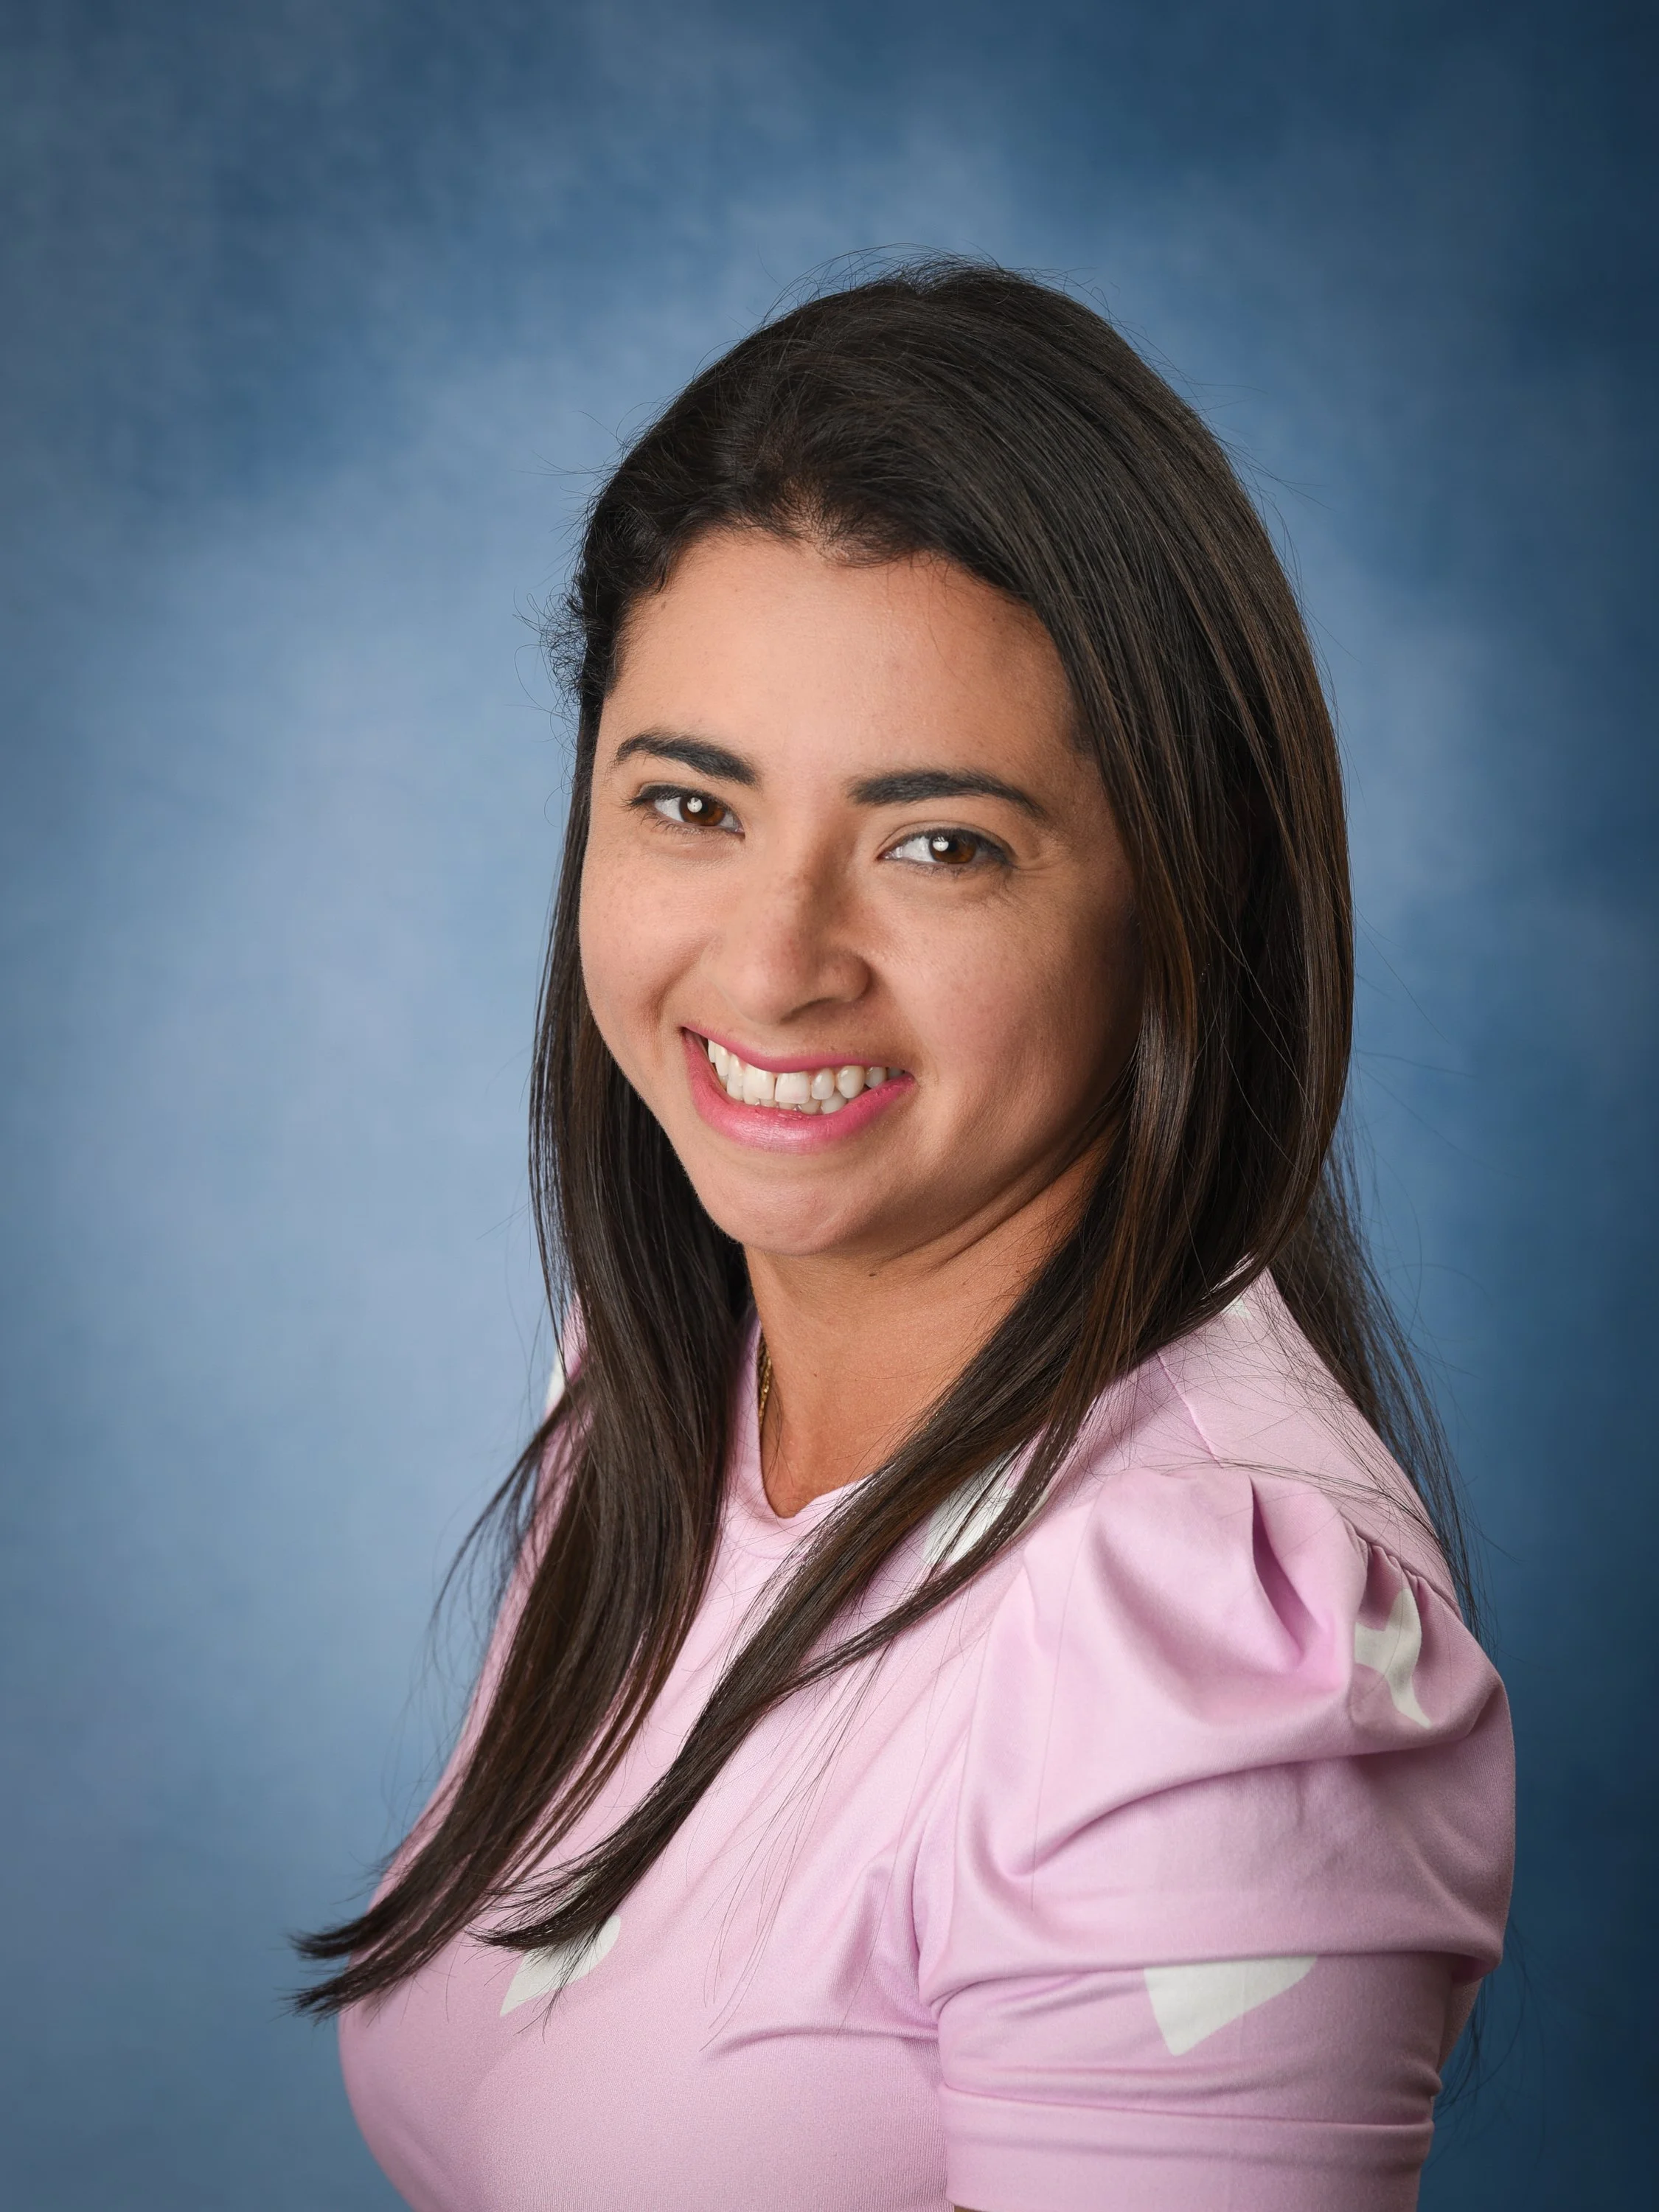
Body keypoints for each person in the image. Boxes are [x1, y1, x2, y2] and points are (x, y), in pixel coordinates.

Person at [296, 262, 1514, 2212]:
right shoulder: (671, 1369)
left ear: (1174, 900)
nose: (774, 968)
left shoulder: (1210, 1678)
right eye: (690, 803)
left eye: (939, 843)